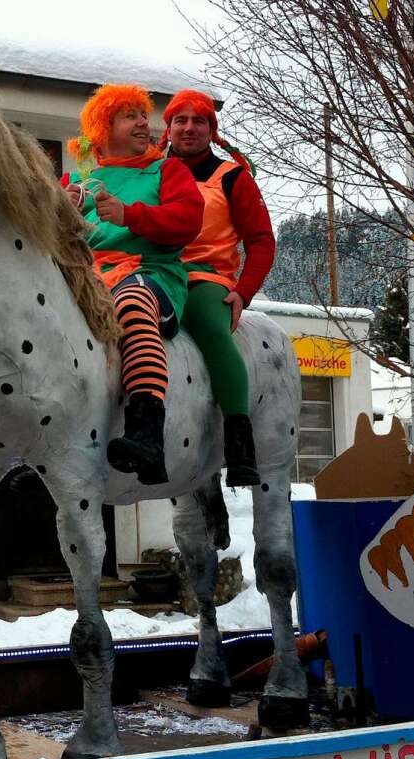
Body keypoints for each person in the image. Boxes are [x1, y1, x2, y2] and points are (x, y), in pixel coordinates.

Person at [62, 83, 204, 484]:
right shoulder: (77, 180)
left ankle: (146, 433)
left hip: (150, 271)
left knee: (133, 302)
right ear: (104, 128)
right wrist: (61, 212)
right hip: (85, 276)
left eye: (144, 114)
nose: (145, 122)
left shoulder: (167, 170)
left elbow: (188, 222)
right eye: (131, 115)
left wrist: (129, 215)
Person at [161, 89, 276, 486]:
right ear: (169, 127)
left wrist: (242, 292)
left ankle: (239, 439)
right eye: (181, 120)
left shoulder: (232, 178)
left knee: (209, 325)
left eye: (199, 121)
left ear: (212, 129)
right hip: (148, 269)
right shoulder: (146, 171)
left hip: (204, 276)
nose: (189, 128)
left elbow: (261, 240)